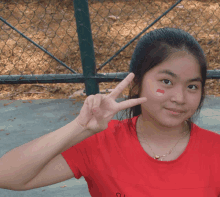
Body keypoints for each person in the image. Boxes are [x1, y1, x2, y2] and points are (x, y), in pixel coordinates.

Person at [0, 27, 220, 196]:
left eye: (192, 86)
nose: (179, 98)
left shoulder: (215, 151)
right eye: (167, 81)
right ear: (136, 84)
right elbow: (8, 176)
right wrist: (79, 127)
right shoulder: (101, 142)